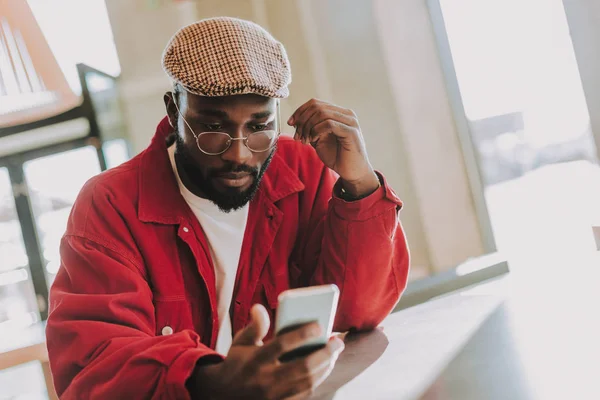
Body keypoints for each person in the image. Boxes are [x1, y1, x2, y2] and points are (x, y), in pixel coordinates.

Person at [46, 17, 409, 399]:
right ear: (173, 110)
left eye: (258, 127)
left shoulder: (305, 170)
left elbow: (359, 313)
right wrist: (208, 382)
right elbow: (93, 366)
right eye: (212, 128)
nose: (239, 154)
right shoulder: (111, 204)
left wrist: (361, 185)